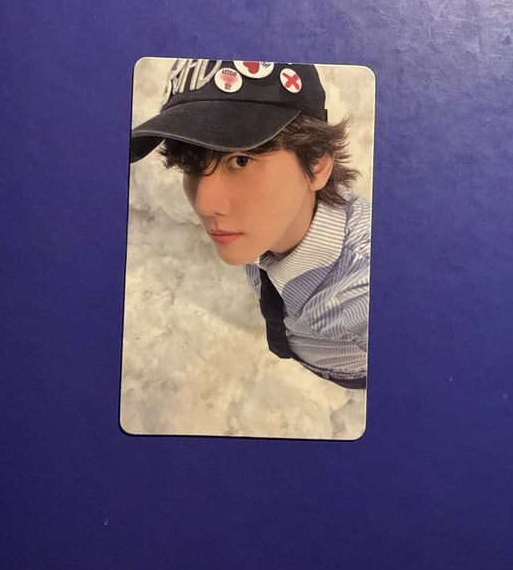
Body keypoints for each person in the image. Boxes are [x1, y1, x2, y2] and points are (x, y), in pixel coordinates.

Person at [130, 58, 371, 388]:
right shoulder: (265, 230)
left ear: (317, 165)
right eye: (191, 165)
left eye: (241, 160)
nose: (204, 204)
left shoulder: (367, 301)